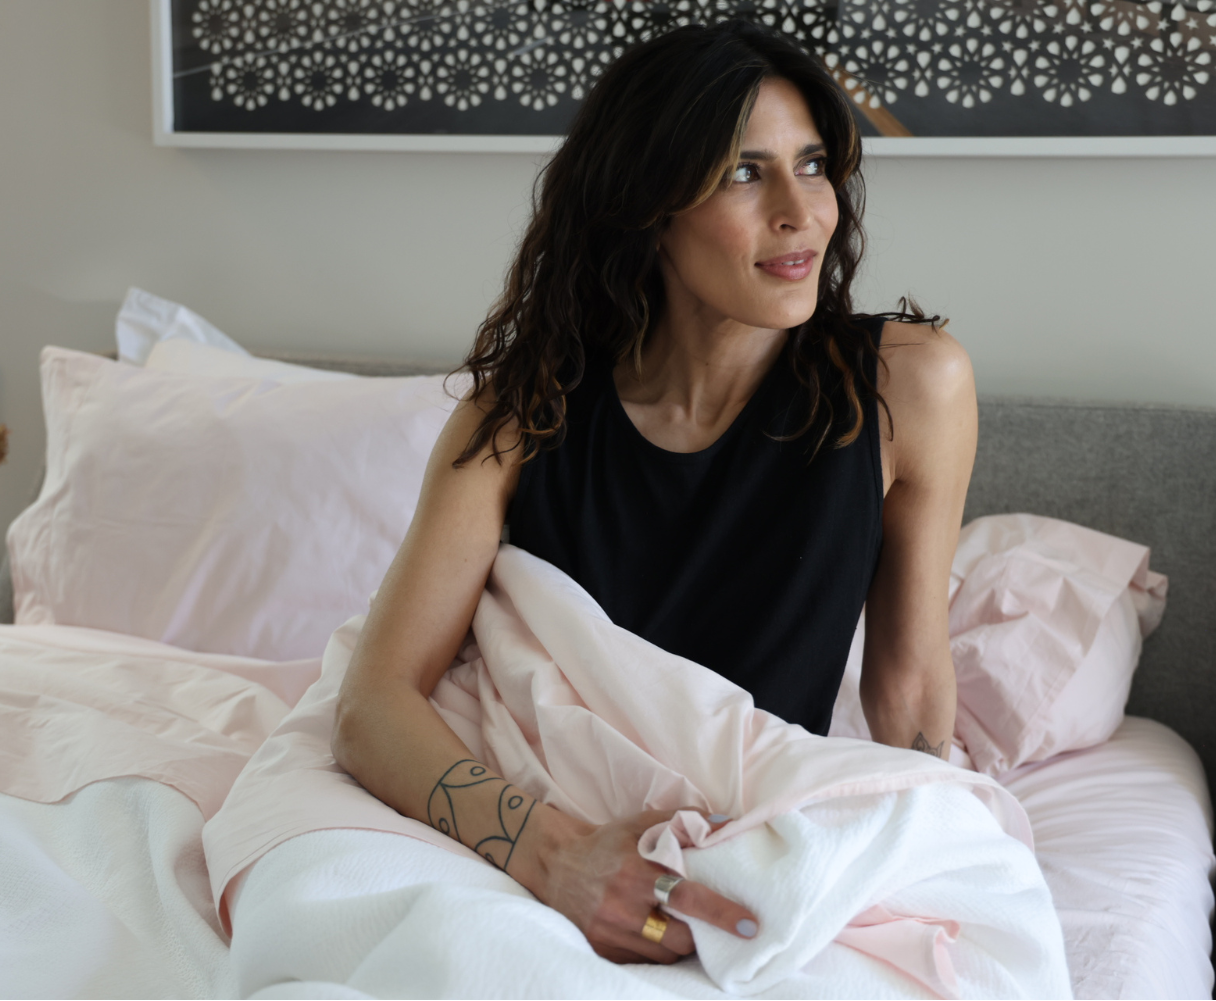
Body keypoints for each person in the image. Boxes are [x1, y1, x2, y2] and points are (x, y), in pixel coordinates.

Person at [333, 19, 976, 967]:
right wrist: (556, 859)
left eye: (813, 164)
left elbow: (908, 684)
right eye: (744, 173)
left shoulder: (907, 386)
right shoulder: (520, 414)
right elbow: (374, 705)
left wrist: (923, 842)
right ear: (650, 208)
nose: (802, 211)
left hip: (733, 833)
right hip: (513, 824)